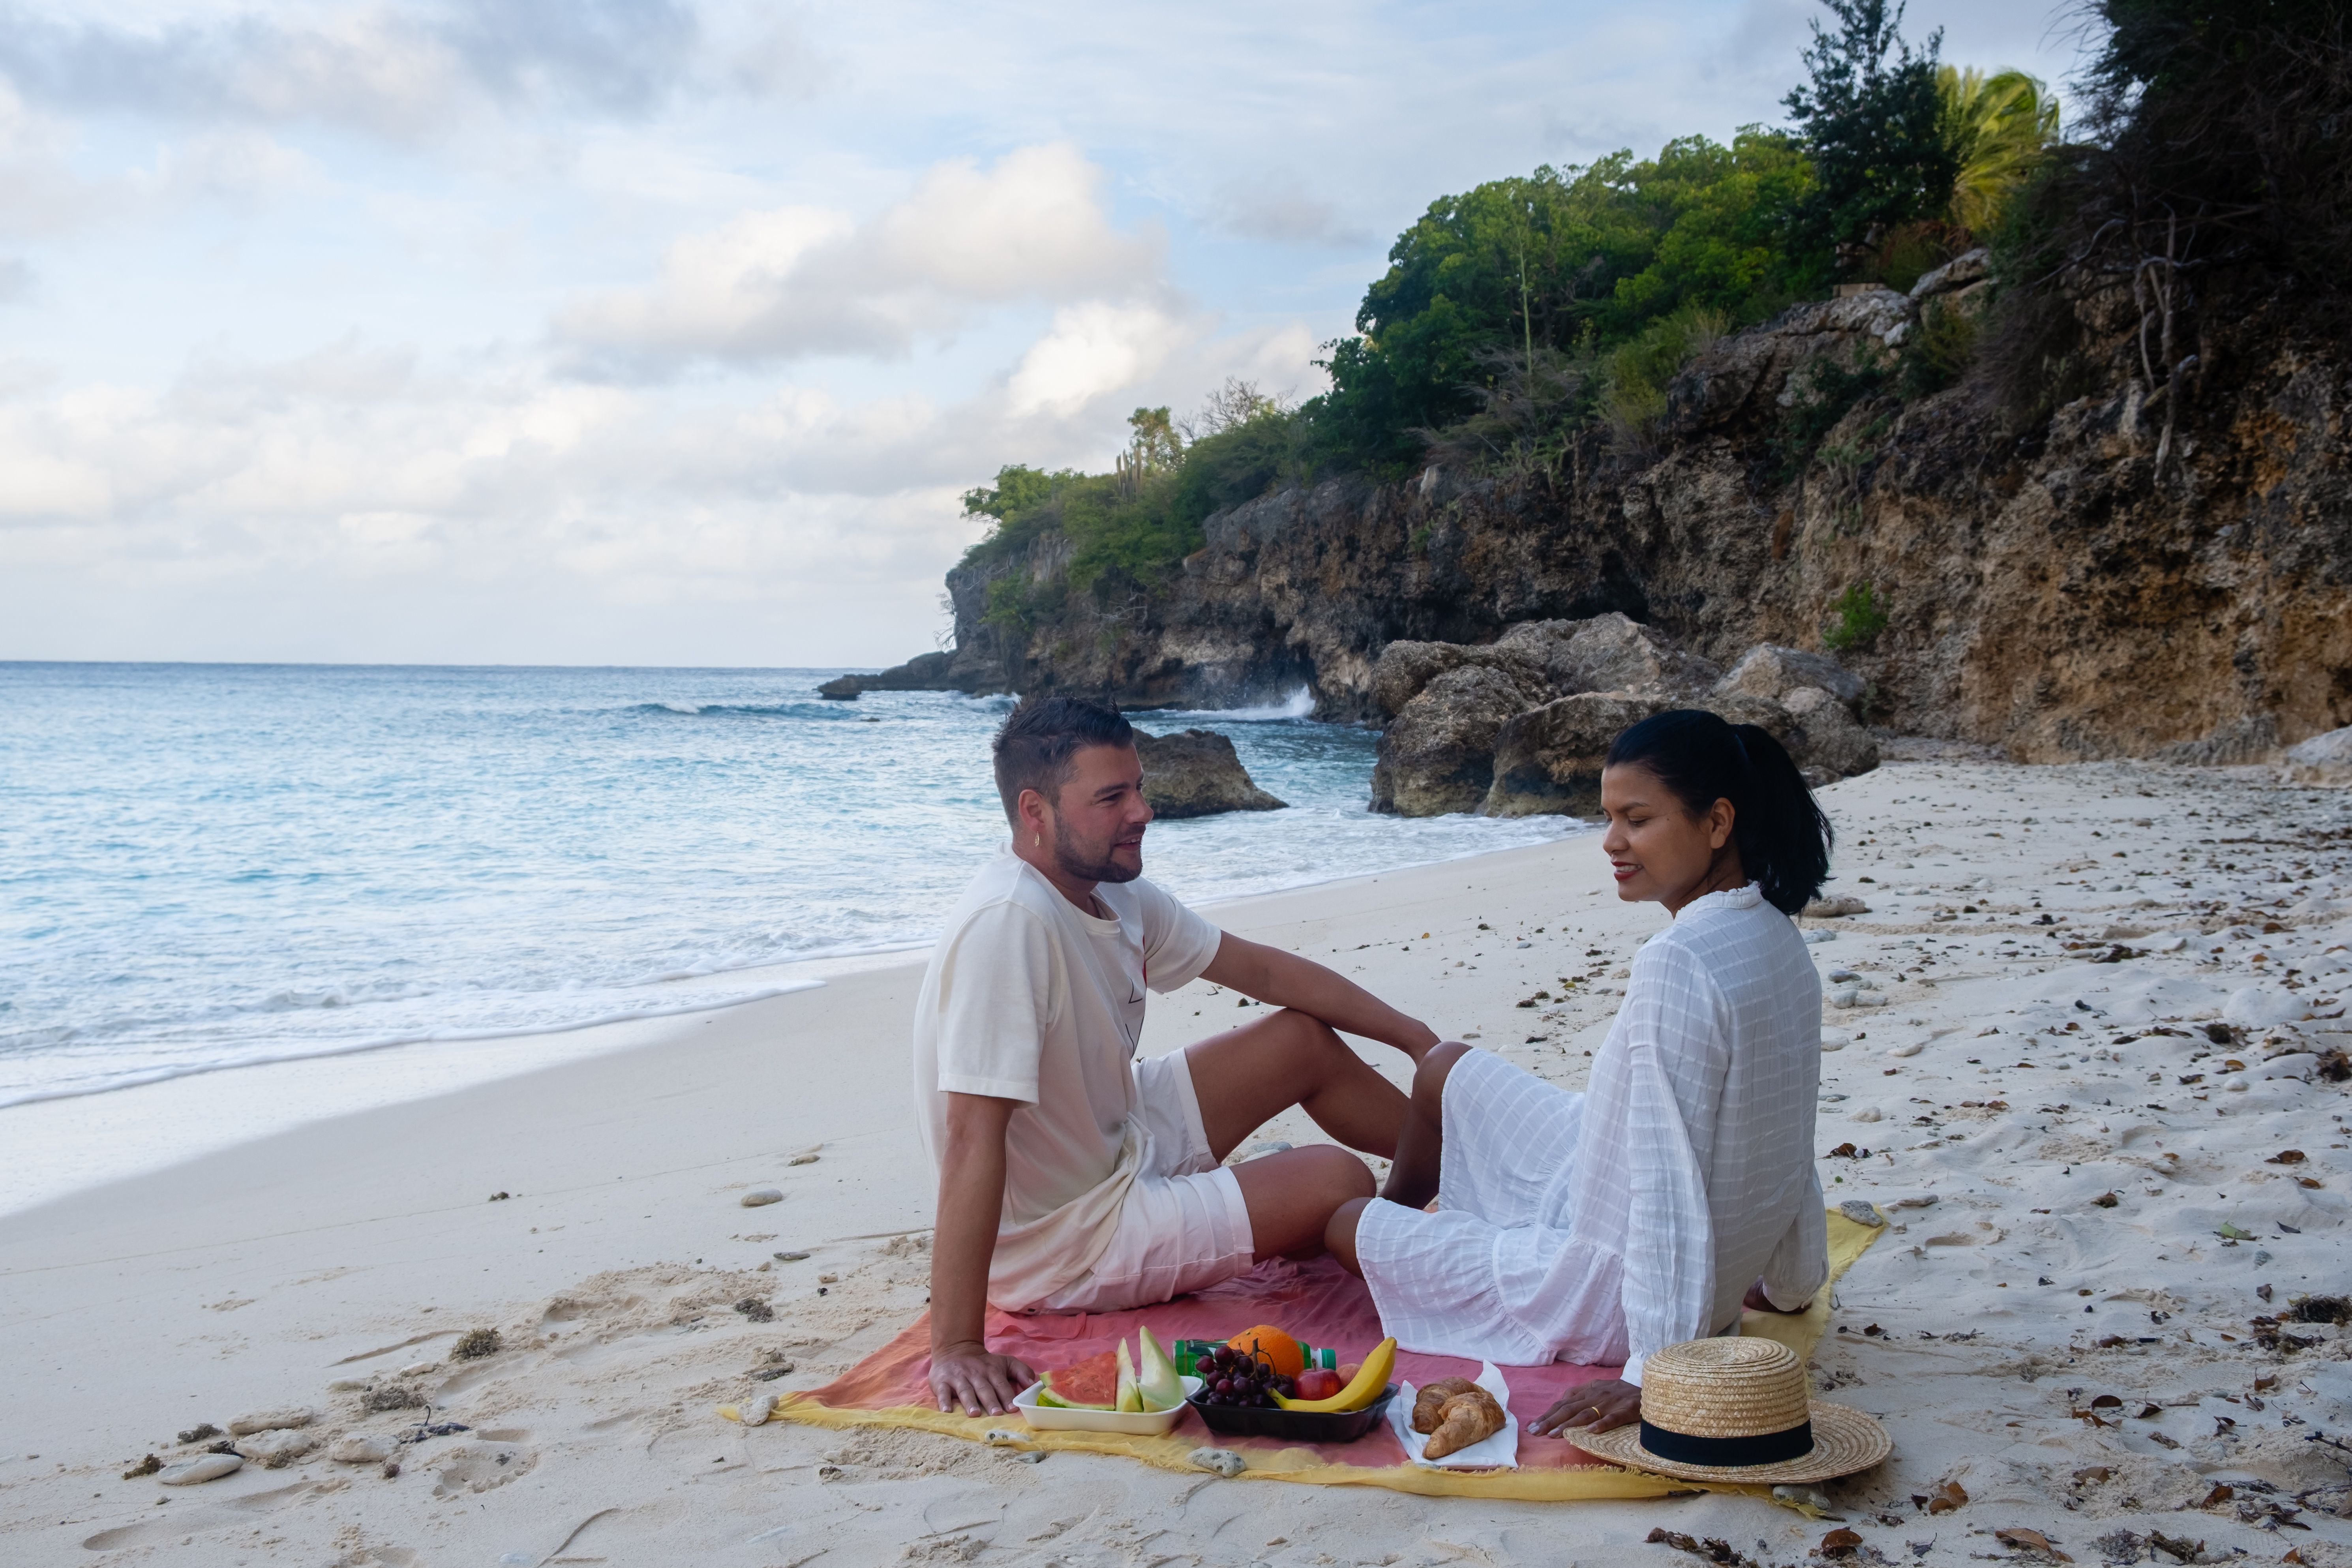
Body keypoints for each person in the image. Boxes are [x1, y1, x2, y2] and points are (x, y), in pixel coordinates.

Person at [917, 696, 1444, 1416]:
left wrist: (1415, 1038)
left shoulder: (1110, 888)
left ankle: (1474, 1173)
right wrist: (956, 1344)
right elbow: (970, 1137)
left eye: (1138, 787)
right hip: (1068, 1239)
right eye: (1112, 797)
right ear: (1036, 812)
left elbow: (1261, 972)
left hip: (1115, 1133)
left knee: (1298, 1040)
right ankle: (1417, 1235)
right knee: (1334, 1178)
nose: (1142, 812)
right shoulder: (1009, 926)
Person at [1324, 708, 1835, 1439]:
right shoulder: (1773, 933)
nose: (1612, 842)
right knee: (1442, 1069)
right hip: (1605, 1178)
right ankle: (1421, 1252)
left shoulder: (1679, 962)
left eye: (1637, 819)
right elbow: (1789, 1128)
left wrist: (1651, 1370)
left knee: (1344, 1221)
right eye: (1607, 817)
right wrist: (1791, 1281)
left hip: (1611, 1284)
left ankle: (1413, 1256)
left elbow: (1667, 1179)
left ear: (1718, 823)